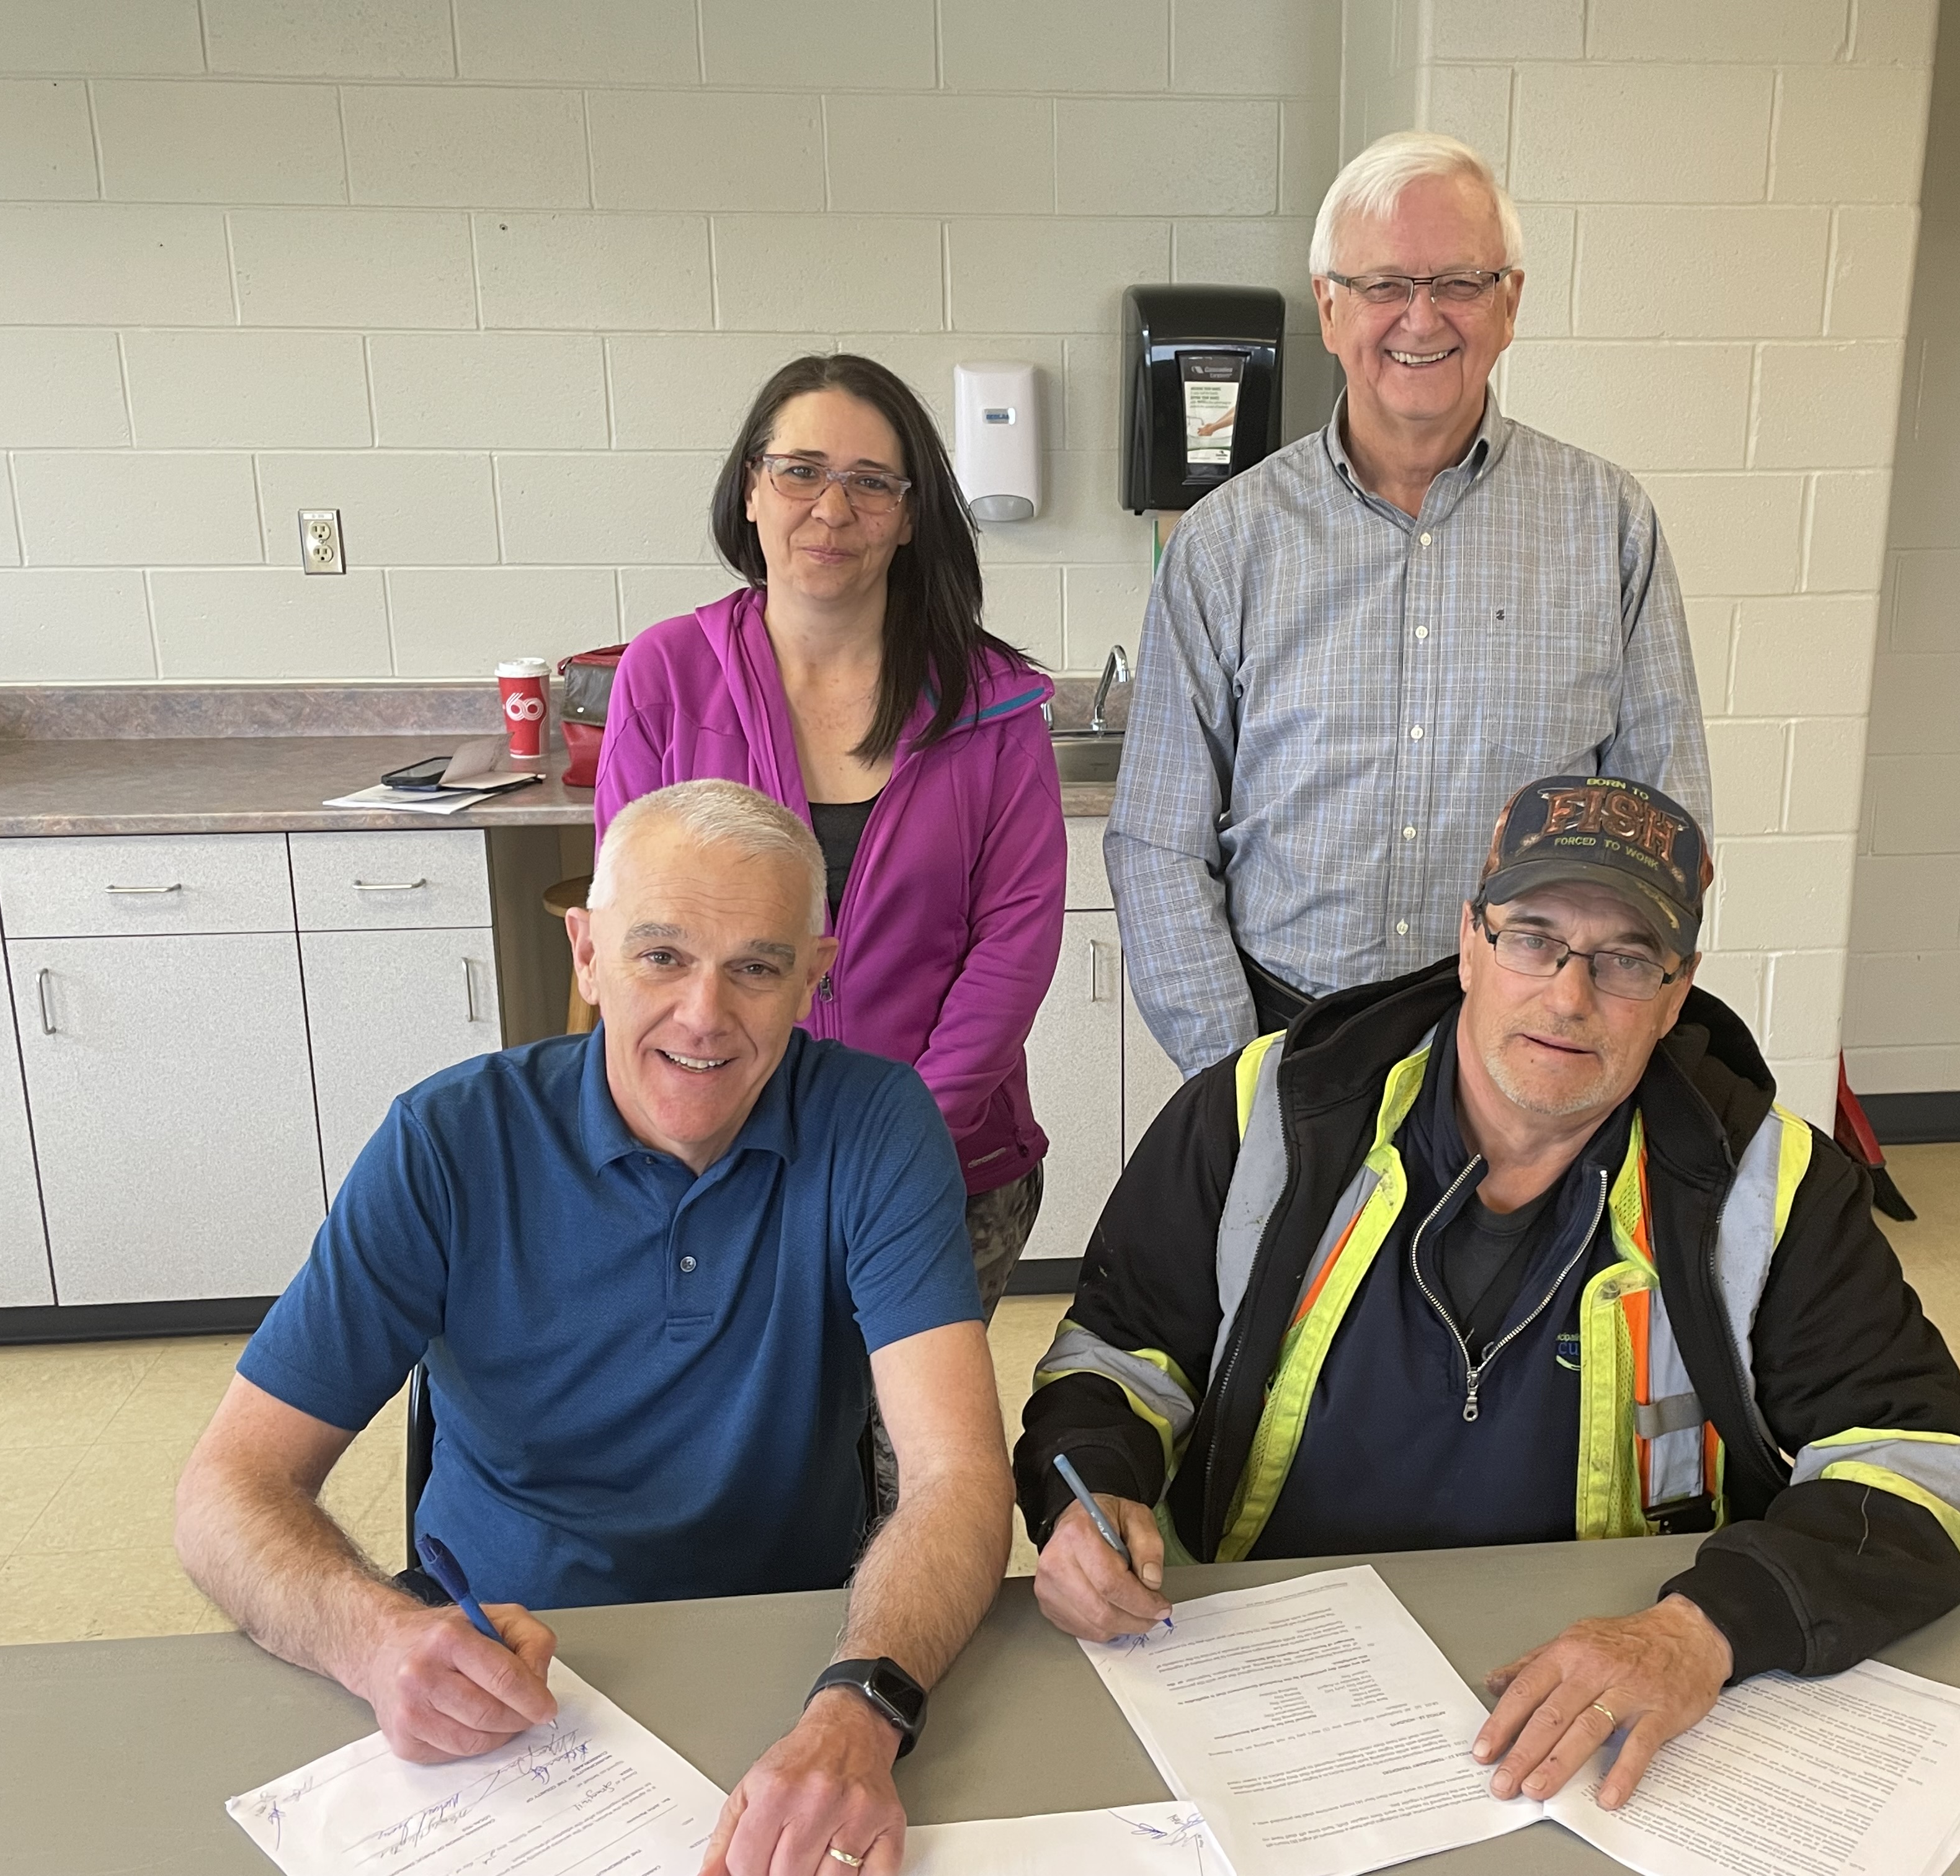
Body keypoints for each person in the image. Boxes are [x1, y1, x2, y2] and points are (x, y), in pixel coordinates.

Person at [1018, 775, 1960, 1813]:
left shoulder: (1773, 1184)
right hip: (1264, 1677)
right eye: (1534, 936)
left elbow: (1935, 1469)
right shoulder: (1265, 1111)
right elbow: (1116, 1352)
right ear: (1470, 941)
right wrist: (1089, 1491)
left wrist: (1702, 1628)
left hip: (1606, 1705)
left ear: (1679, 993)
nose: (1570, 998)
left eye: (1626, 959)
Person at [176, 781, 1014, 1876]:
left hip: (796, 1661)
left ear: (815, 976)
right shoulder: (447, 1141)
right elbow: (226, 1490)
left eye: (757, 967)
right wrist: (374, 1639)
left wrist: (863, 1705)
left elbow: (959, 1478)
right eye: (660, 956)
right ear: (587, 953)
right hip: (496, 1681)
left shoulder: (877, 1124)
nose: (705, 1015)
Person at [1110, 132, 1714, 1076]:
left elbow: (1664, 830)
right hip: (1291, 1040)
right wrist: (1238, 1075)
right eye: (1384, 284)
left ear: (1509, 303)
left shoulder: (1610, 526)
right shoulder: (1227, 542)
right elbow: (1157, 843)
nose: (1421, 318)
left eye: (1461, 282)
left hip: (1532, 1047)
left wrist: (1600, 1038)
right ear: (1328, 305)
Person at [597, 352, 1065, 1323]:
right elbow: (640, 929)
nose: (832, 508)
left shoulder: (992, 701)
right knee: (756, 1458)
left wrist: (902, 1142)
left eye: (870, 482)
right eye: (801, 471)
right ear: (752, 491)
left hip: (947, 1168)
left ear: (910, 514)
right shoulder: (667, 676)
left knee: (914, 1463)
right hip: (720, 1162)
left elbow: (1015, 944)